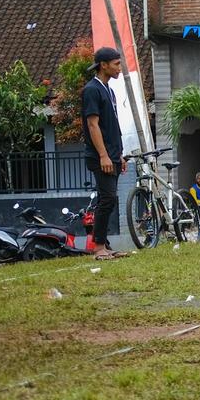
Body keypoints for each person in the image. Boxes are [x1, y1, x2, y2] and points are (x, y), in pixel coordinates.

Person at [80, 47, 128, 260]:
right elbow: (93, 124)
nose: (119, 68)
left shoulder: (108, 90)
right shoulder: (92, 90)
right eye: (116, 64)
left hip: (113, 155)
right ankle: (98, 246)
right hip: (100, 156)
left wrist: (118, 155)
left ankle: (105, 245)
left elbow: (111, 125)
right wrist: (103, 155)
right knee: (107, 199)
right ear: (104, 65)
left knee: (109, 199)